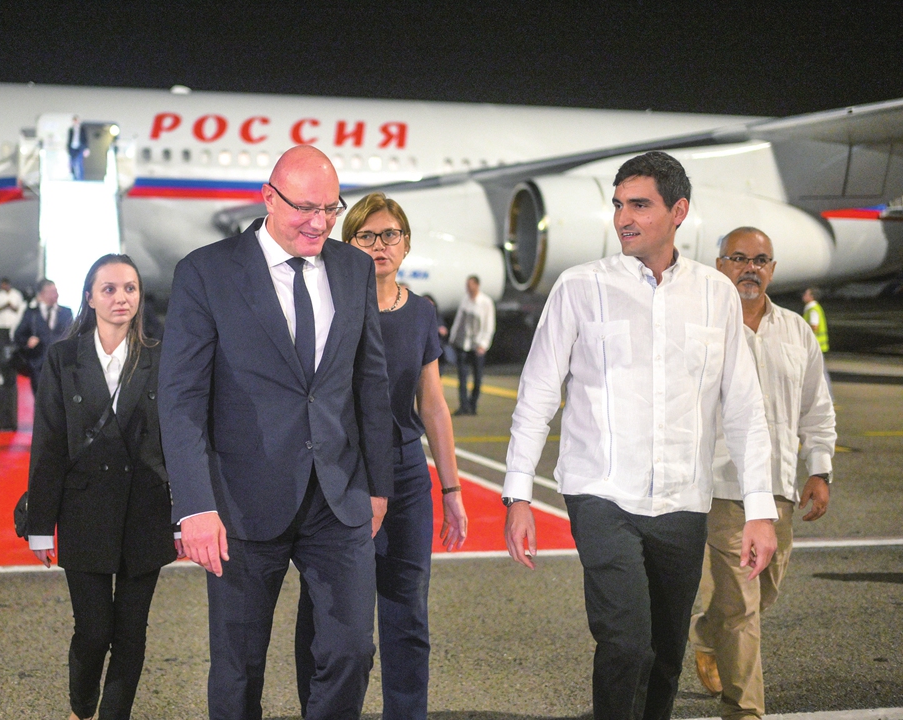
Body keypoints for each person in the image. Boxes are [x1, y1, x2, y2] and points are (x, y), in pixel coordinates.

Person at [501, 152, 779, 720]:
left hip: (683, 499)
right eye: (618, 205)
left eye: (639, 205)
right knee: (625, 640)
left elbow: (745, 409)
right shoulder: (580, 287)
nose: (623, 218)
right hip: (600, 492)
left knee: (666, 655)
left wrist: (759, 509)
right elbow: (535, 396)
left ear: (678, 211)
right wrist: (518, 495)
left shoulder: (715, 293)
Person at [158, 145, 394, 719]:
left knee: (351, 651)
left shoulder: (354, 268)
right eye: (304, 208)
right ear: (268, 198)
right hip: (240, 504)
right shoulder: (206, 271)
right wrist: (194, 505)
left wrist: (379, 486)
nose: (319, 222)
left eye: (331, 209)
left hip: (337, 498)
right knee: (239, 666)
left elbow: (370, 382)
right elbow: (181, 397)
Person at [294, 192, 469, 719]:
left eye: (389, 234)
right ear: (347, 245)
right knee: (326, 614)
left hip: (405, 470)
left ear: (407, 242)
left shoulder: (420, 313)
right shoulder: (329, 308)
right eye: (365, 236)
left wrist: (453, 490)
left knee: (407, 612)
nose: (379, 245)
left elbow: (433, 405)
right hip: (341, 471)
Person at [691, 227, 836, 719]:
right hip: (723, 485)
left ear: (772, 270)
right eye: (738, 258)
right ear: (719, 265)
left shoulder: (796, 330)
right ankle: (745, 711)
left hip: (779, 489)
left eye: (760, 260)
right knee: (743, 607)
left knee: (764, 590)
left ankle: (705, 634)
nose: (749, 267)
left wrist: (819, 469)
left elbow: (817, 407)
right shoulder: (699, 327)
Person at [27, 254, 179, 720]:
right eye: (109, 289)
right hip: (84, 511)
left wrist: (185, 513)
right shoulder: (62, 358)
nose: (121, 298)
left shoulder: (160, 357)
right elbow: (48, 442)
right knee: (93, 630)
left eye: (130, 288)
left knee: (132, 632)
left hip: (145, 511)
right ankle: (81, 707)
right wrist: (39, 525)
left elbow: (179, 441)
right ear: (89, 297)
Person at [15, 279, 73, 393]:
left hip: (61, 364)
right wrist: (28, 341)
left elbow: (73, 334)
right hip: (38, 364)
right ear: (42, 294)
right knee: (40, 398)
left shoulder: (66, 312)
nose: (56, 295)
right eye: (51, 292)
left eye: (56, 291)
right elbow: (18, 335)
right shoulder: (32, 313)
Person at [448, 274, 495, 415]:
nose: (468, 288)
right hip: (464, 344)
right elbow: (459, 321)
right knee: (462, 377)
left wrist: (484, 344)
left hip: (477, 345)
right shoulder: (465, 301)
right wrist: (453, 337)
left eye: (470, 285)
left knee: (477, 377)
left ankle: (473, 404)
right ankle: (464, 405)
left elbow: (489, 324)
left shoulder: (485, 302)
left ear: (477, 285)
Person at [0, 277, 25, 372]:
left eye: (4, 284)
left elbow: (20, 309)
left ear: (8, 284)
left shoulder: (16, 294)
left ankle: (14, 368)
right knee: (0, 347)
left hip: (13, 325)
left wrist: (11, 306)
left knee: (14, 347)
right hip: (1, 324)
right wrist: (4, 306)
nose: (3, 286)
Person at [68, 115, 91, 180]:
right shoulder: (71, 130)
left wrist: (86, 148)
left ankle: (80, 178)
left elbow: (86, 139)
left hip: (80, 148)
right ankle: (74, 177)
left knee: (80, 163)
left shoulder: (83, 129)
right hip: (72, 148)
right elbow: (69, 140)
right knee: (72, 163)